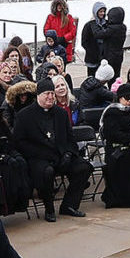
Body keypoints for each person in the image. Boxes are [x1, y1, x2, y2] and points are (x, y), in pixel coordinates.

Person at [11, 83, 88, 222]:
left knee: (84, 167)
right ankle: (49, 208)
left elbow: (70, 138)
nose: (51, 97)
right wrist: (44, 155)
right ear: (38, 95)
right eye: (47, 94)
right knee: (46, 172)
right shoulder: (24, 115)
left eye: (52, 93)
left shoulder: (61, 113)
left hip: (61, 154)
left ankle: (69, 205)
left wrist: (68, 153)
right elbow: (20, 143)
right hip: (39, 157)